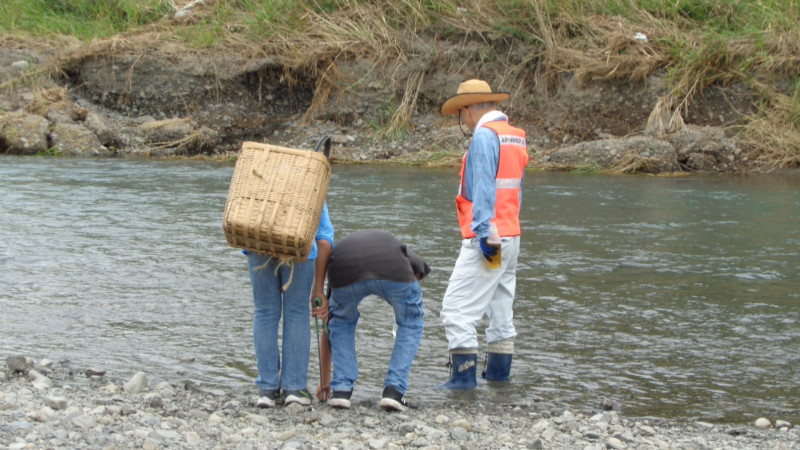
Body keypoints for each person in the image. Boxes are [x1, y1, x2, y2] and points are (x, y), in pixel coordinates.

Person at [438, 79, 529, 389]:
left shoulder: (484, 137)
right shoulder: (515, 137)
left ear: (467, 111)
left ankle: (462, 380)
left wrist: (483, 234)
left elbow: (484, 190)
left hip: (490, 237)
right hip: (511, 234)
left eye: (461, 115)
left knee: (456, 308)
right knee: (500, 308)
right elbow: (515, 190)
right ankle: (499, 379)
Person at [314, 230, 430, 411]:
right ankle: (394, 391)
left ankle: (341, 391)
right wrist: (406, 307)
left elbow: (327, 327)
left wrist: (324, 382)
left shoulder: (341, 254)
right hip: (392, 269)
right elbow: (417, 275)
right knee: (411, 323)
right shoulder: (406, 255)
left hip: (344, 270)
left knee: (340, 322)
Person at [246, 202, 333, 408]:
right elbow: (324, 238)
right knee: (296, 312)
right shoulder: (308, 182)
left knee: (265, 311)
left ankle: (267, 390)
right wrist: (319, 289)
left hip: (256, 240)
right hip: (299, 244)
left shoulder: (262, 178)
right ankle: (294, 388)